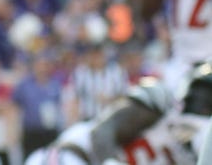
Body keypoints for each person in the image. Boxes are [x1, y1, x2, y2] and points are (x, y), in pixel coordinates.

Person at [24, 61, 212, 165]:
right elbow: (101, 134)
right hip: (72, 157)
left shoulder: (201, 137)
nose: (202, 101)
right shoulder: (163, 102)